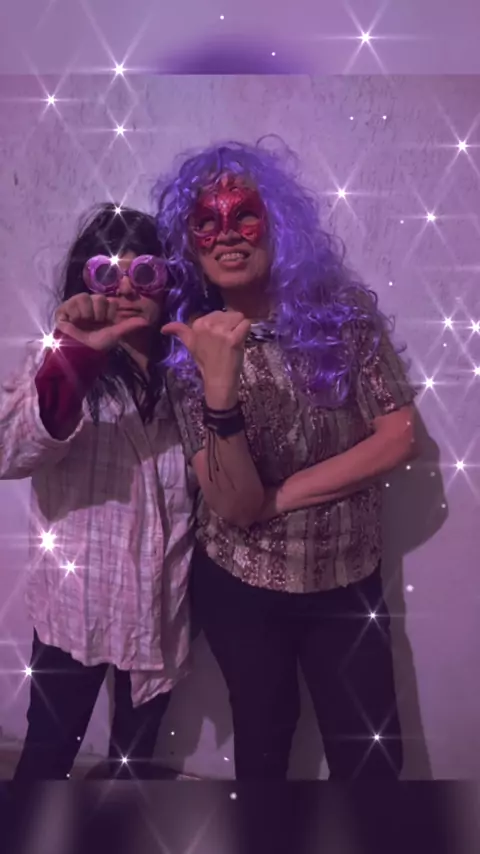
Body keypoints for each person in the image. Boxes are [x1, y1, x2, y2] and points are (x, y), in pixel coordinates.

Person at [155, 141, 418, 781]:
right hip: (241, 586)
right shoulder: (190, 348)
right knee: (264, 745)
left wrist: (284, 495)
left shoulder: (342, 318)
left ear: (277, 221)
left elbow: (398, 436)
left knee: (371, 756)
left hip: (346, 578)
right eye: (206, 222)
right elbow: (236, 505)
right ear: (189, 245)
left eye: (244, 214)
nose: (226, 235)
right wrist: (220, 392)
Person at [0, 204, 196, 781]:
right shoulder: (58, 360)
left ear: (168, 282)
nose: (127, 289)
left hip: (159, 611)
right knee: (48, 756)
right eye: (108, 273)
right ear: (85, 282)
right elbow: (9, 450)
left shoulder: (187, 378)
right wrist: (76, 360)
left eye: (146, 272)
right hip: (74, 609)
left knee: (132, 767)